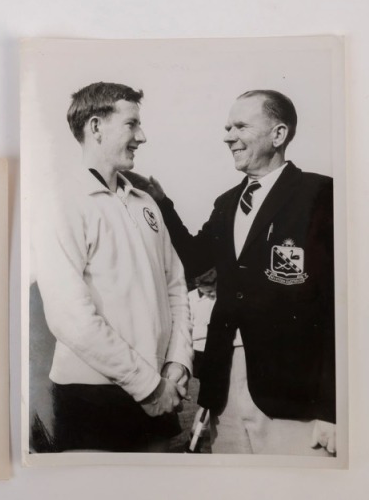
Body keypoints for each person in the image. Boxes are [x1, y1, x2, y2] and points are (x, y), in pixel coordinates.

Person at [135, 90, 336, 455]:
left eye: (241, 125)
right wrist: (161, 204)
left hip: (296, 400)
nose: (228, 136)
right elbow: (195, 262)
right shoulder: (227, 203)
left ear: (278, 135)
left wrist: (333, 409)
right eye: (228, 126)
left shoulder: (322, 194)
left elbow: (342, 308)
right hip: (222, 390)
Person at [33, 82, 192, 453]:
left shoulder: (145, 204)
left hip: (159, 390)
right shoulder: (61, 203)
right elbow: (70, 317)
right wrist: (148, 386)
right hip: (93, 400)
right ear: (95, 126)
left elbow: (176, 288)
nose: (143, 136)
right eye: (132, 124)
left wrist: (177, 363)